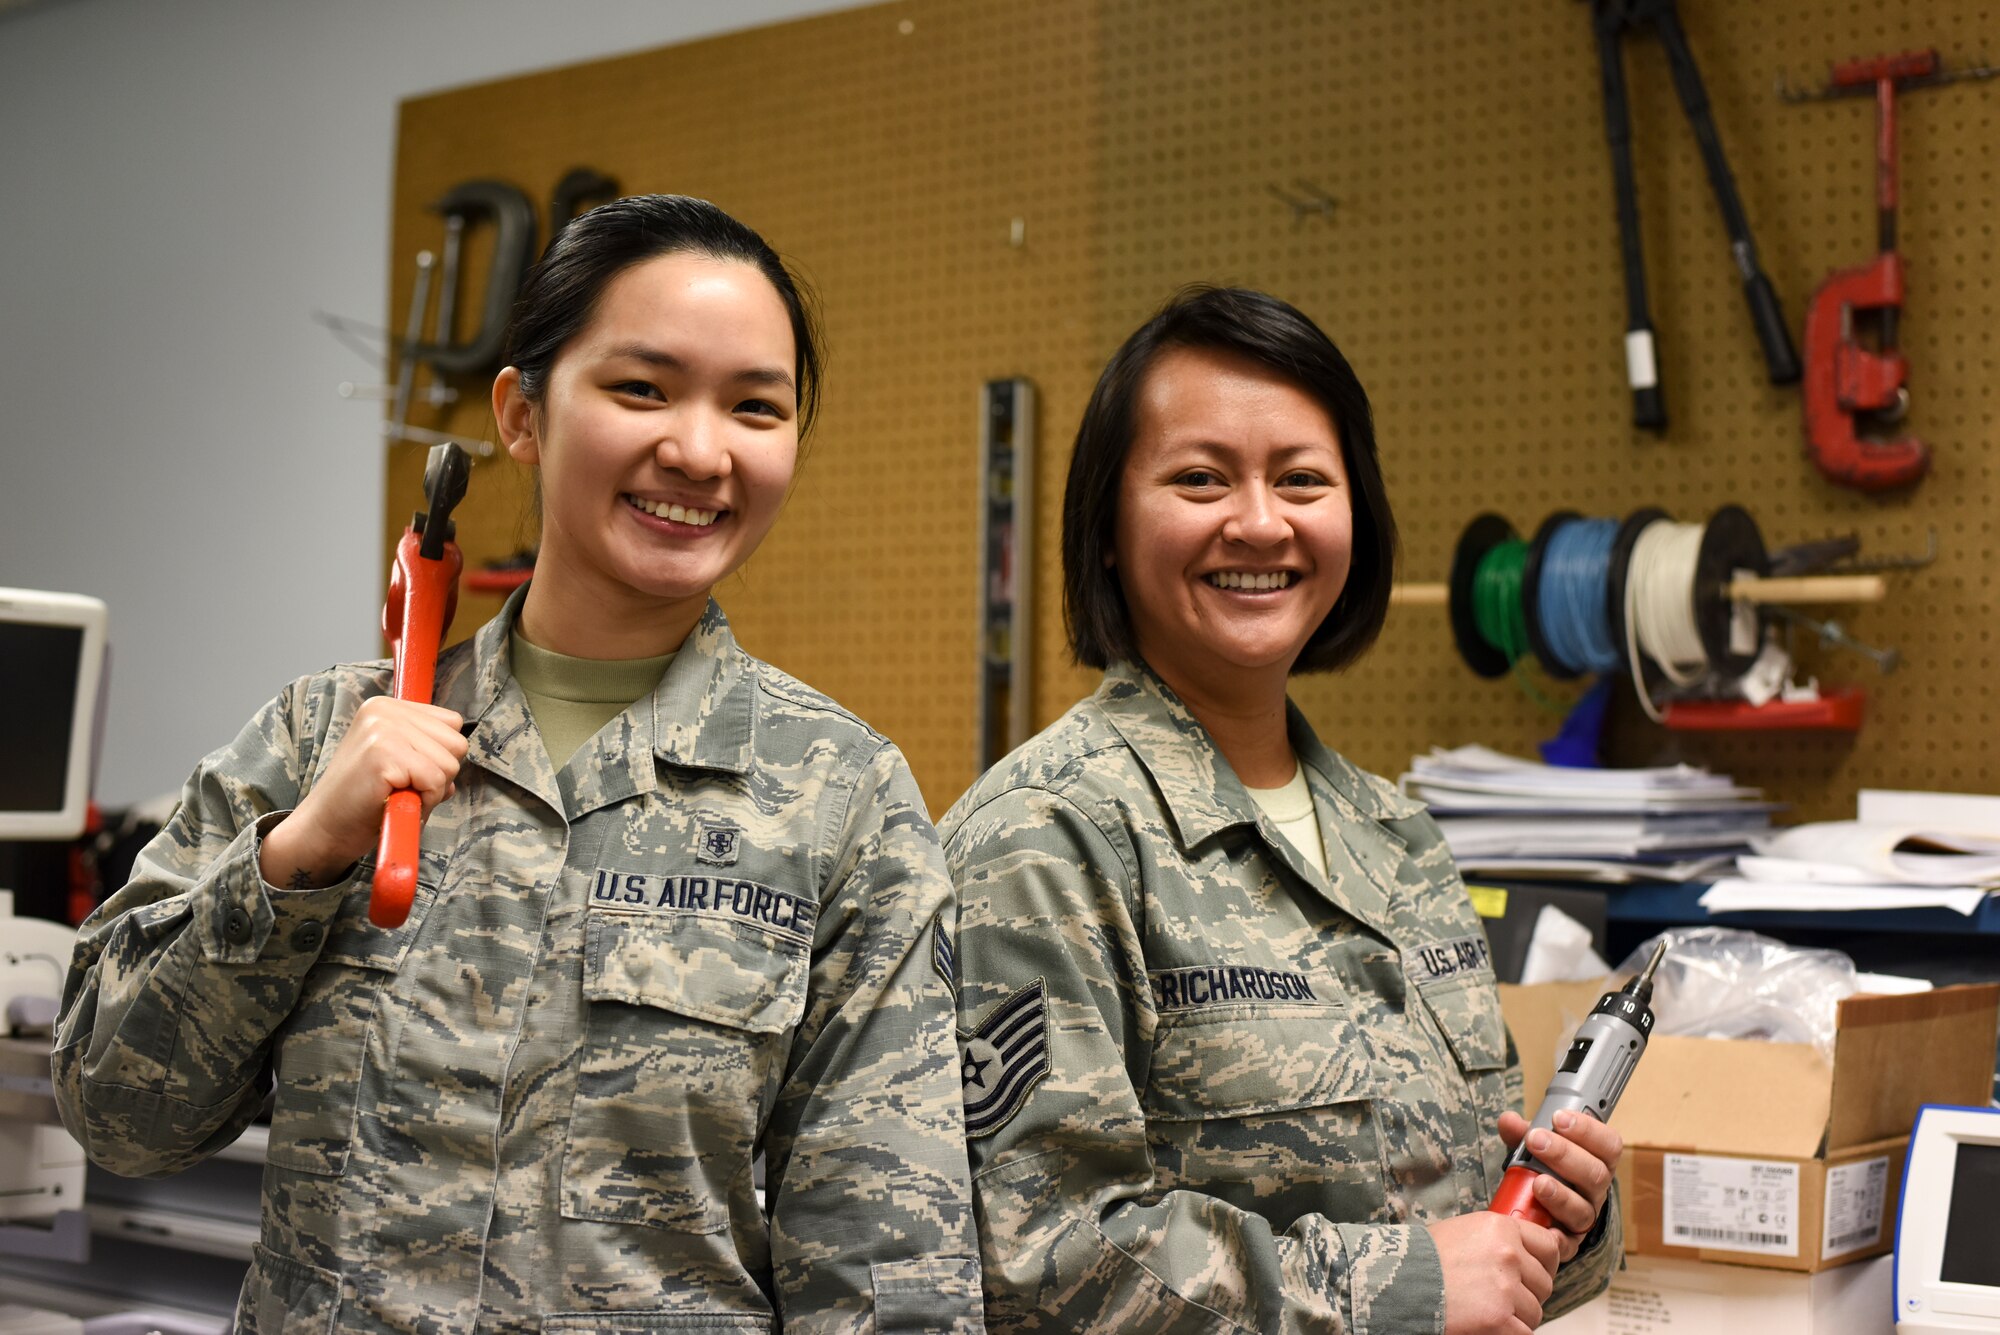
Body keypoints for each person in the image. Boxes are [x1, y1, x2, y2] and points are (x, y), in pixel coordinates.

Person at [54, 195, 982, 1334]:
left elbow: (889, 1274)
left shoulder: (842, 803)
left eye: (755, 407)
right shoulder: (315, 738)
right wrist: (296, 861)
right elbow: (116, 1117)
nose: (697, 450)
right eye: (640, 389)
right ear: (520, 414)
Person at [942, 286, 1621, 1333]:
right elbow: (1037, 1258)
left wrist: (1562, 1219)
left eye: (1302, 480)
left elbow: (1469, 1235)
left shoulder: (1398, 839)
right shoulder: (1043, 835)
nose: (1259, 523)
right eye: (1200, 479)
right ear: (1110, 527)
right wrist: (1401, 1288)